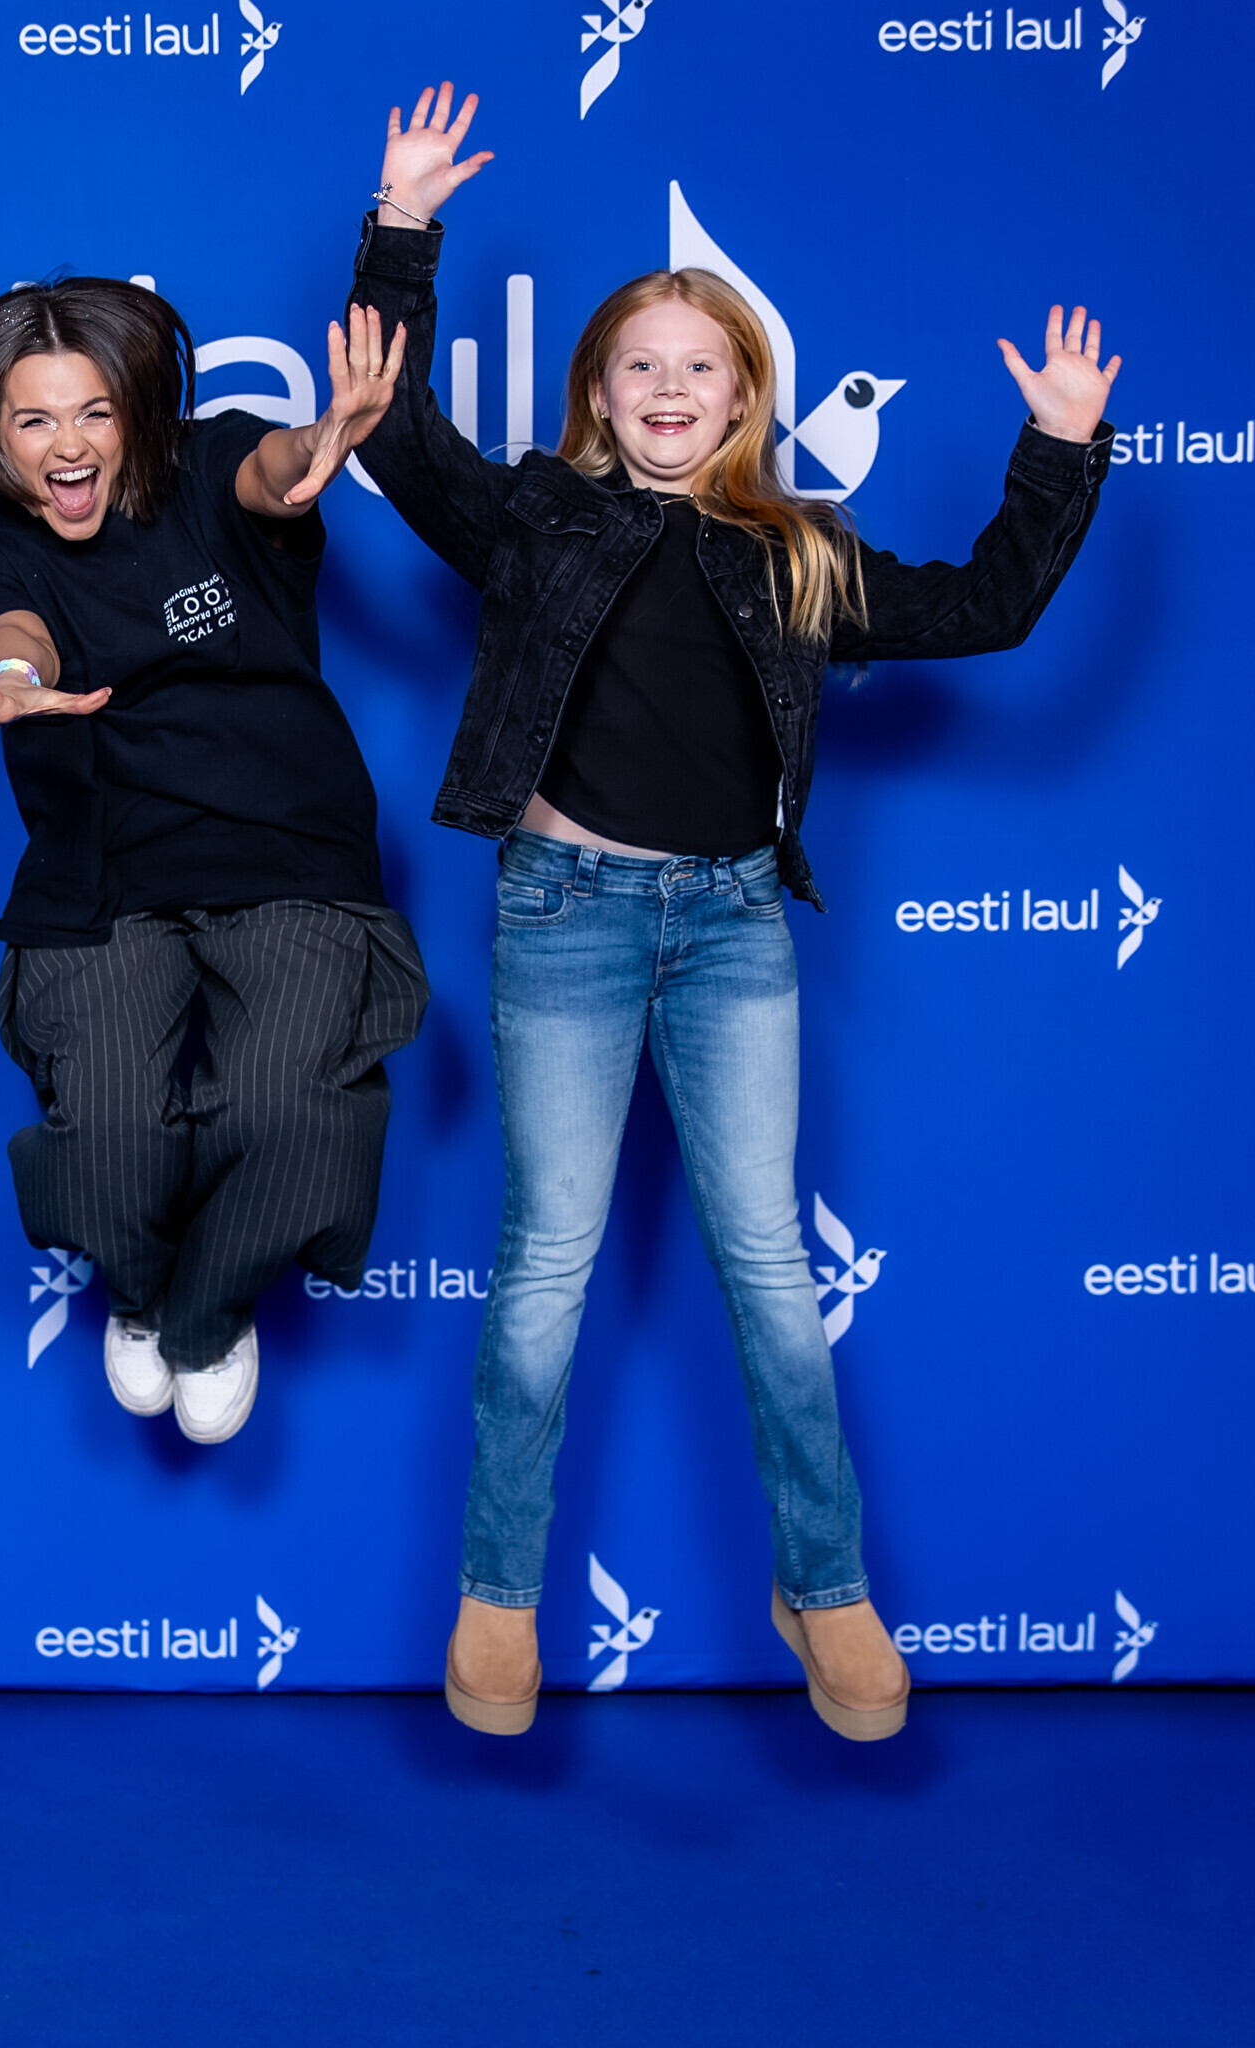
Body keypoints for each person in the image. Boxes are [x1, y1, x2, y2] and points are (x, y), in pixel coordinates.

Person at [345, 86, 1120, 1739]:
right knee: (546, 1259)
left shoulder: (801, 553)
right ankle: (497, 1590)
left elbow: (985, 609)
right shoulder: (536, 517)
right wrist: (400, 228)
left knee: (766, 1260)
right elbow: (395, 434)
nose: (667, 388)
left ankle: (822, 1585)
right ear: (597, 393)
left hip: (733, 928)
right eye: (638, 366)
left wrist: (1060, 449)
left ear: (745, 397)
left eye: (699, 368)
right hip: (564, 911)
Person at [0, 278, 430, 1444]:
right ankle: (144, 1293)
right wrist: (15, 684)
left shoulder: (211, 462)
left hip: (287, 846)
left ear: (137, 412)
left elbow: (275, 471)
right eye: (34, 420)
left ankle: (205, 1312)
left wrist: (325, 439)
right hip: (105, 867)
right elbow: (12, 634)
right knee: (104, 1129)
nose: (68, 445)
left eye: (94, 412)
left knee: (289, 1106)